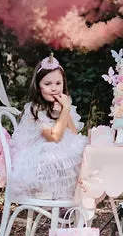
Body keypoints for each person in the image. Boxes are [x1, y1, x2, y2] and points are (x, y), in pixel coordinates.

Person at [10, 53, 87, 199]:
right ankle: (62, 197)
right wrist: (65, 110)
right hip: (39, 163)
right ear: (38, 87)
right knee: (71, 155)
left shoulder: (61, 105)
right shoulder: (36, 109)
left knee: (85, 150)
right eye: (47, 84)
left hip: (55, 156)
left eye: (58, 83)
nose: (54, 88)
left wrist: (66, 110)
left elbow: (74, 133)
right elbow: (54, 137)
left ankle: (80, 199)